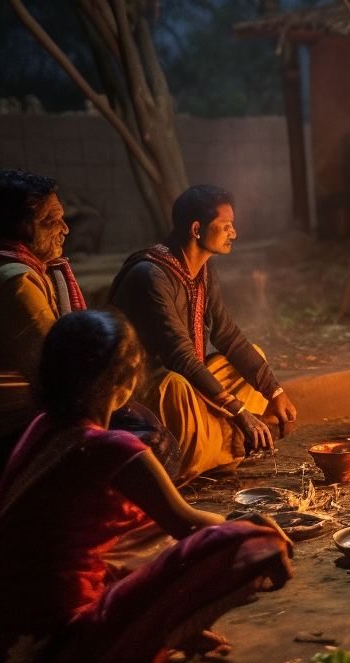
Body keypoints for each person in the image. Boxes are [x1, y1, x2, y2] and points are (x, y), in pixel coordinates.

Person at [0, 310, 292, 663]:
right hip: (49, 656)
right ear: (123, 378)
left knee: (133, 544)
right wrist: (255, 527)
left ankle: (160, 628)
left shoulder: (43, 428)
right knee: (250, 542)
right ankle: (145, 639)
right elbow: (188, 526)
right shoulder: (113, 449)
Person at [0, 171, 176, 490]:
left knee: (142, 424)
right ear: (20, 227)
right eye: (51, 221)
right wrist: (118, 399)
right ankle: (91, 518)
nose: (65, 229)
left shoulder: (20, 269)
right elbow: (61, 385)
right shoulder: (13, 284)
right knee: (148, 443)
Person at [110, 185, 298, 483]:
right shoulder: (152, 275)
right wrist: (239, 412)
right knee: (176, 386)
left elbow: (227, 335)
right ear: (197, 229)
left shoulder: (204, 270)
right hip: (145, 394)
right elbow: (180, 357)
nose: (233, 234)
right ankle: (223, 448)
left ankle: (220, 444)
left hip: (188, 381)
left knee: (253, 359)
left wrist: (273, 391)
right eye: (225, 226)